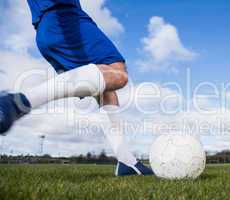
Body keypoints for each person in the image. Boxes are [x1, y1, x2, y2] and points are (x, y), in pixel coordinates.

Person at [0, 0, 153, 176]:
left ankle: (126, 162)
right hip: (64, 17)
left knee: (105, 86)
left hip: (47, 27)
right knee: (117, 73)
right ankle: (17, 102)